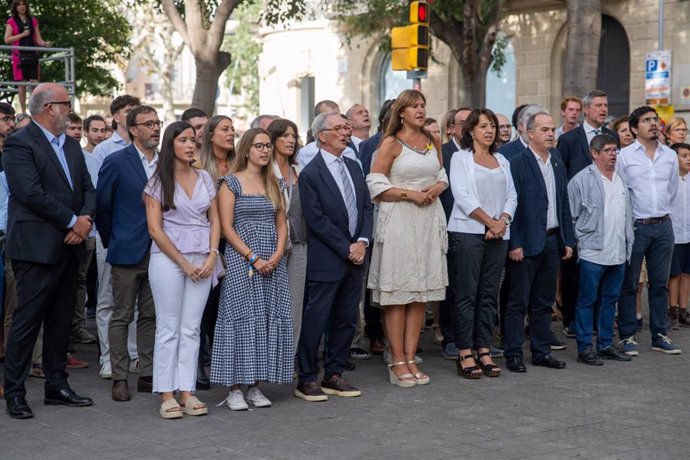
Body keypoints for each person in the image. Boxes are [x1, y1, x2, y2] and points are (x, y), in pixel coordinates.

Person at [3, 83, 95, 419]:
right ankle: (14, 391)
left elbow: (87, 188)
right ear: (48, 108)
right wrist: (73, 221)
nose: (70, 108)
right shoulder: (19, 143)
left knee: (60, 322)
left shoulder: (71, 146)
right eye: (66, 103)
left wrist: (83, 220)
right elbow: (29, 192)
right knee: (27, 322)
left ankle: (57, 385)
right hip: (37, 248)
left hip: (70, 247)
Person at [367, 89, 447, 387]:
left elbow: (442, 174)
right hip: (400, 219)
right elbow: (375, 184)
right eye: (414, 106)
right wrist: (409, 194)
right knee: (398, 294)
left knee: (419, 294)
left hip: (427, 221)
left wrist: (436, 189)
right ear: (401, 112)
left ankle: (411, 357)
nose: (420, 110)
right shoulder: (390, 143)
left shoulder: (431, 139)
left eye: (423, 105)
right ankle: (397, 359)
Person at [211, 128, 292, 410]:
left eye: (268, 146)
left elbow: (281, 222)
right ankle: (234, 388)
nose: (265, 151)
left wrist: (277, 254)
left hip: (273, 260)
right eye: (259, 146)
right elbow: (226, 227)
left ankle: (255, 384)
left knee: (266, 316)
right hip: (241, 259)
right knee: (240, 316)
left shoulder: (274, 183)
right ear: (246, 149)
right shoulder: (230, 183)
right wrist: (253, 257)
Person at [144, 121, 220, 419]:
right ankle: (166, 393)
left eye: (193, 140)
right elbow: (154, 229)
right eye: (183, 140)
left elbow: (215, 220)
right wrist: (184, 263)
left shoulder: (204, 178)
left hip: (203, 258)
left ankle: (187, 391)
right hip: (168, 259)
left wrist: (212, 256)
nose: (190, 145)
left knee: (191, 328)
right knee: (168, 327)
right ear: (170, 144)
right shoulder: (157, 181)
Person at [295, 111, 373, 401]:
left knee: (345, 318)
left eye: (346, 127)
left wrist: (362, 241)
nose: (345, 132)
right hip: (328, 257)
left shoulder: (353, 166)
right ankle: (306, 377)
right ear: (321, 136)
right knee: (317, 317)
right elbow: (316, 220)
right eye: (338, 128)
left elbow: (365, 206)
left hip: (356, 255)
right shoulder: (311, 173)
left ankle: (335, 374)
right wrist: (346, 248)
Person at [96, 105, 161, 401]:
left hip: (161, 251)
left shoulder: (166, 163)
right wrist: (114, 240)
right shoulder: (116, 161)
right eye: (148, 124)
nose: (156, 129)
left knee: (150, 315)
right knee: (122, 315)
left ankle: (147, 373)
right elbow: (103, 207)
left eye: (158, 123)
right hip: (125, 249)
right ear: (133, 129)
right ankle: (119, 377)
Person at [448, 108, 516, 379]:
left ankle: (484, 348)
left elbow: (511, 195)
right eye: (483, 126)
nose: (489, 131)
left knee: (489, 294)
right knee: (467, 293)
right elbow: (462, 197)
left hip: (499, 233)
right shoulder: (460, 159)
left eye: (492, 127)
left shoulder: (502, 160)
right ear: (471, 131)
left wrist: (502, 221)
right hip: (468, 232)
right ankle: (465, 351)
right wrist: (489, 222)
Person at [504, 111, 575, 373]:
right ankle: (513, 353)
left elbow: (563, 202)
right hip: (526, 243)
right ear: (529, 133)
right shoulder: (517, 162)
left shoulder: (556, 159)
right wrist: (515, 243)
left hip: (553, 240)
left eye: (552, 129)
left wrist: (567, 238)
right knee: (517, 302)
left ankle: (541, 351)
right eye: (544, 129)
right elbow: (513, 205)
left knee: (544, 302)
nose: (550, 134)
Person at [616, 106, 681, 355]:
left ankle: (659, 335)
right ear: (634, 128)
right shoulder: (624, 156)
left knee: (659, 284)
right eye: (646, 120)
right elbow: (621, 192)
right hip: (636, 227)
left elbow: (672, 191)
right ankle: (628, 336)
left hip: (663, 226)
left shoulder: (668, 155)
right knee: (630, 283)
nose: (653, 123)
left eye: (655, 119)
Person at [556, 90, 619, 341]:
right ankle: (570, 318)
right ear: (586, 109)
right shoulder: (570, 139)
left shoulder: (612, 137)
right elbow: (563, 173)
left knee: (601, 269)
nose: (603, 109)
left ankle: (596, 321)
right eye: (598, 105)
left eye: (606, 105)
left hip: (605, 210)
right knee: (574, 269)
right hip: (577, 211)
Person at [567, 134, 634, 365]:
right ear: (594, 154)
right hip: (593, 252)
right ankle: (585, 347)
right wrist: (581, 242)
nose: (613, 154)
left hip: (618, 250)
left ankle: (605, 344)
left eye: (615, 150)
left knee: (610, 300)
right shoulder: (580, 180)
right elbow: (572, 216)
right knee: (587, 300)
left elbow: (628, 213)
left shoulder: (621, 178)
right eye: (607, 150)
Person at [91, 95, 141, 380]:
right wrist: (108, 237)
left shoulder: (147, 149)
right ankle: (108, 357)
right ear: (116, 117)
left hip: (138, 238)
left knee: (134, 301)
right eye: (127, 111)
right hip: (111, 236)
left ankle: (133, 355)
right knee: (108, 298)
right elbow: (102, 198)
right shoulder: (104, 150)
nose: (132, 114)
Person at [193, 114, 235, 390]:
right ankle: (197, 362)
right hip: (208, 242)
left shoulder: (239, 164)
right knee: (204, 305)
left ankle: (221, 359)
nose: (231, 133)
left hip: (235, 242)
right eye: (225, 129)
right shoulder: (197, 165)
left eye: (233, 129)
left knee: (224, 304)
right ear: (210, 135)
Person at [267, 118, 306, 355]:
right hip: (269, 245)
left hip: (300, 242)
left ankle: (287, 359)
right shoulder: (262, 170)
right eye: (284, 135)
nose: (290, 140)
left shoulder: (300, 170)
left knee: (295, 305)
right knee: (270, 303)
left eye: (293, 135)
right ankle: (266, 358)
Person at [438, 106, 471, 360]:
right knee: (452, 287)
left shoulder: (481, 154)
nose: (469, 127)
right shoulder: (443, 153)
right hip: (450, 225)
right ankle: (450, 338)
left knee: (473, 287)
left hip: (477, 229)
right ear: (450, 128)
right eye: (464, 123)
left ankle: (473, 339)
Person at [4, 0, 50, 113]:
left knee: (35, 83)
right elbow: (7, 39)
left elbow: (38, 39)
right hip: (19, 56)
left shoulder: (33, 21)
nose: (21, 7)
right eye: (18, 5)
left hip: (32, 55)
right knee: (22, 84)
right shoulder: (11, 21)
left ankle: (34, 110)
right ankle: (23, 112)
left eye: (23, 4)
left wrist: (44, 44)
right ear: (15, 7)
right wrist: (22, 35)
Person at [668, 142, 690, 328]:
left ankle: (684, 310)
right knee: (673, 274)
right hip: (674, 233)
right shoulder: (670, 179)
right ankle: (672, 310)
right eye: (683, 155)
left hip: (688, 233)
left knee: (686, 273)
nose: (688, 159)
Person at [196, 115, 235, 181]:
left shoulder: (240, 165)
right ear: (211, 136)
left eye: (232, 130)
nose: (231, 133)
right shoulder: (198, 168)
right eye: (225, 129)